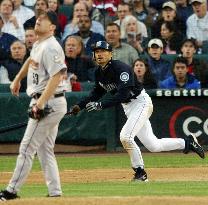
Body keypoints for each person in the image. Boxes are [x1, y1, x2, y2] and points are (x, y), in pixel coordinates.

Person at [70, 40, 205, 182]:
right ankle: (187, 143)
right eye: (97, 51)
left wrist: (100, 105)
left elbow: (122, 94)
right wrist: (79, 106)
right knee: (153, 145)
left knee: (125, 137)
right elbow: (96, 93)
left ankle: (140, 173)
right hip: (128, 107)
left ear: (110, 54)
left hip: (141, 102)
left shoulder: (121, 68)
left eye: (103, 51)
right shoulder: (99, 72)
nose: (99, 54)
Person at [0, 11, 67, 201]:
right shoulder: (39, 44)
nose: (39, 20)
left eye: (44, 20)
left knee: (26, 148)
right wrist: (17, 79)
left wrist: (41, 102)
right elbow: (31, 60)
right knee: (44, 150)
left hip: (49, 101)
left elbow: (57, 75)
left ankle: (11, 191)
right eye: (39, 18)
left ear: (52, 27)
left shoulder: (52, 47)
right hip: (48, 100)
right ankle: (55, 192)